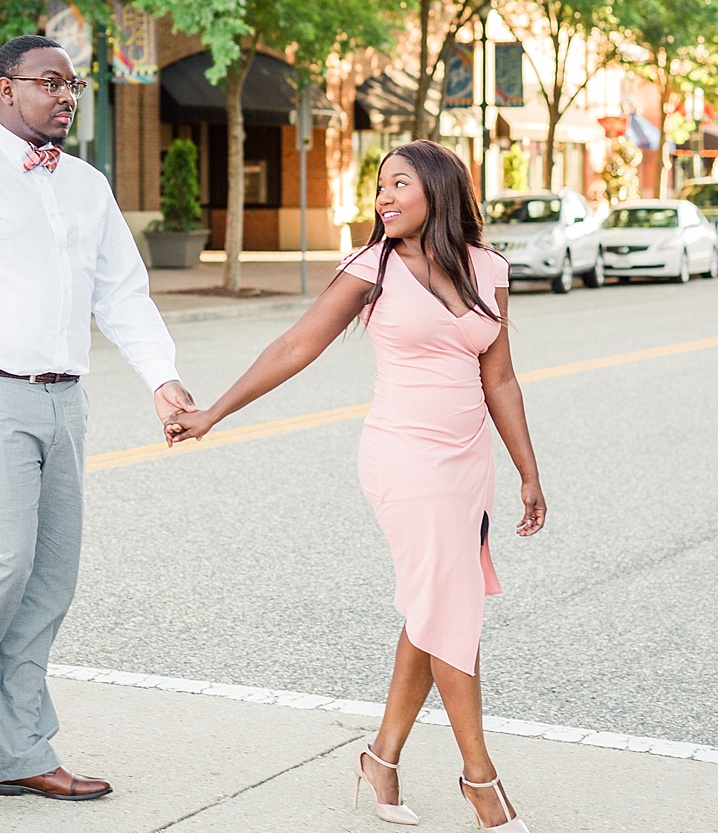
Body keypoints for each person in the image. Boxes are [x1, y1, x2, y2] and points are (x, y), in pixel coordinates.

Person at [165, 139, 546, 832]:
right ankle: (481, 785)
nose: (384, 197)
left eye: (398, 183)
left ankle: (382, 759)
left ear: (438, 189)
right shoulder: (372, 267)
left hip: (468, 465)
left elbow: (501, 378)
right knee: (451, 610)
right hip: (403, 459)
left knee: (434, 609)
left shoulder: (489, 269)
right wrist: (214, 412)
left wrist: (527, 469)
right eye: (379, 187)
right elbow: (294, 346)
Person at [0, 34, 195, 810]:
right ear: (4, 88)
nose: (65, 96)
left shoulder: (87, 185)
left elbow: (122, 294)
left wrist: (163, 380)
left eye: (73, 85)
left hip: (65, 400)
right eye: (49, 83)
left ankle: (20, 750)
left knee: (48, 582)